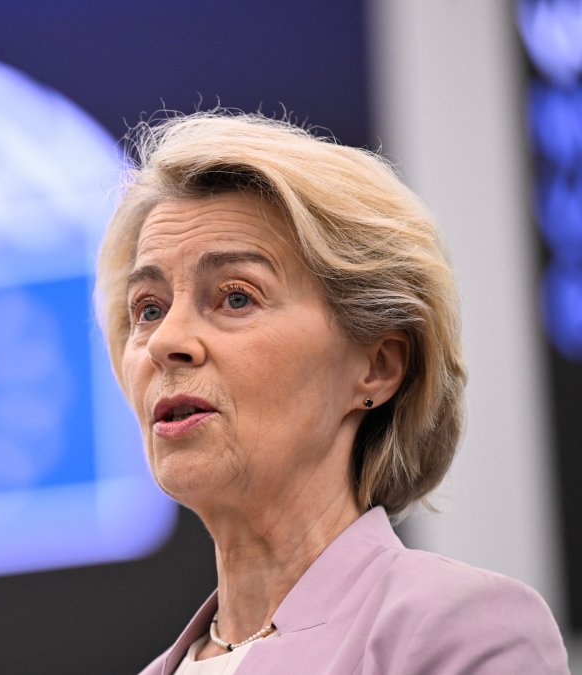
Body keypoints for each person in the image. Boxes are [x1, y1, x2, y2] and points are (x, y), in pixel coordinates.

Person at [94, 112, 570, 674]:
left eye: (236, 297)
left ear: (377, 367)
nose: (165, 341)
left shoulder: (457, 626)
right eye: (148, 309)